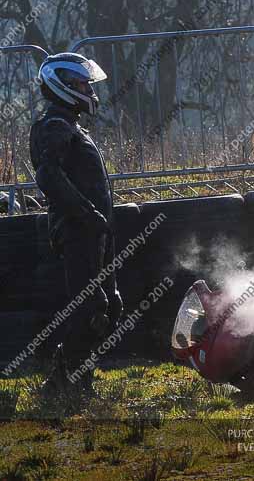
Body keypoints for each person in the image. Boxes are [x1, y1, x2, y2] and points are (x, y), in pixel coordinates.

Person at [29, 52, 123, 393]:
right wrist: (87, 214)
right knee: (91, 305)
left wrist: (99, 220)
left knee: (109, 304)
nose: (89, 90)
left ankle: (75, 379)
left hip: (95, 229)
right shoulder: (54, 125)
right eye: (82, 84)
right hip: (77, 230)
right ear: (63, 86)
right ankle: (61, 384)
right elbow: (47, 176)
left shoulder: (69, 125)